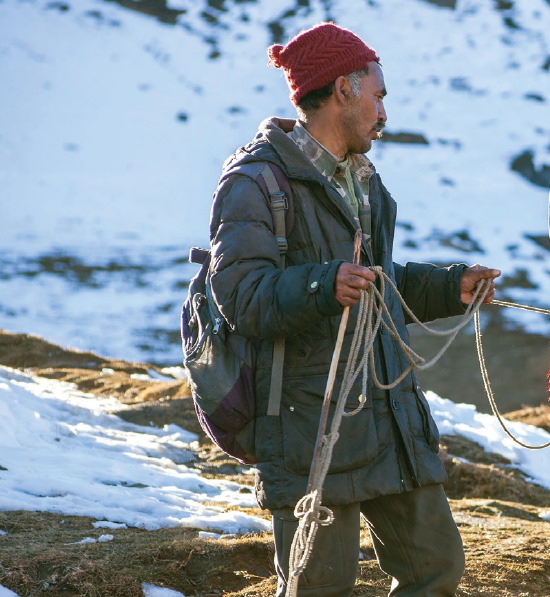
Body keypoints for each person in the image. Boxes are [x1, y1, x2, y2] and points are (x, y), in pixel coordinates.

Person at [205, 21, 499, 595]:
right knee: (321, 588)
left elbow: (376, 284)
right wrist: (322, 285)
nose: (384, 111)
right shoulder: (253, 183)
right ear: (343, 89)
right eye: (379, 94)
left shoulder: (365, 181)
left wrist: (448, 287)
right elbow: (239, 295)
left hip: (389, 417)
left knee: (435, 571)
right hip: (308, 428)